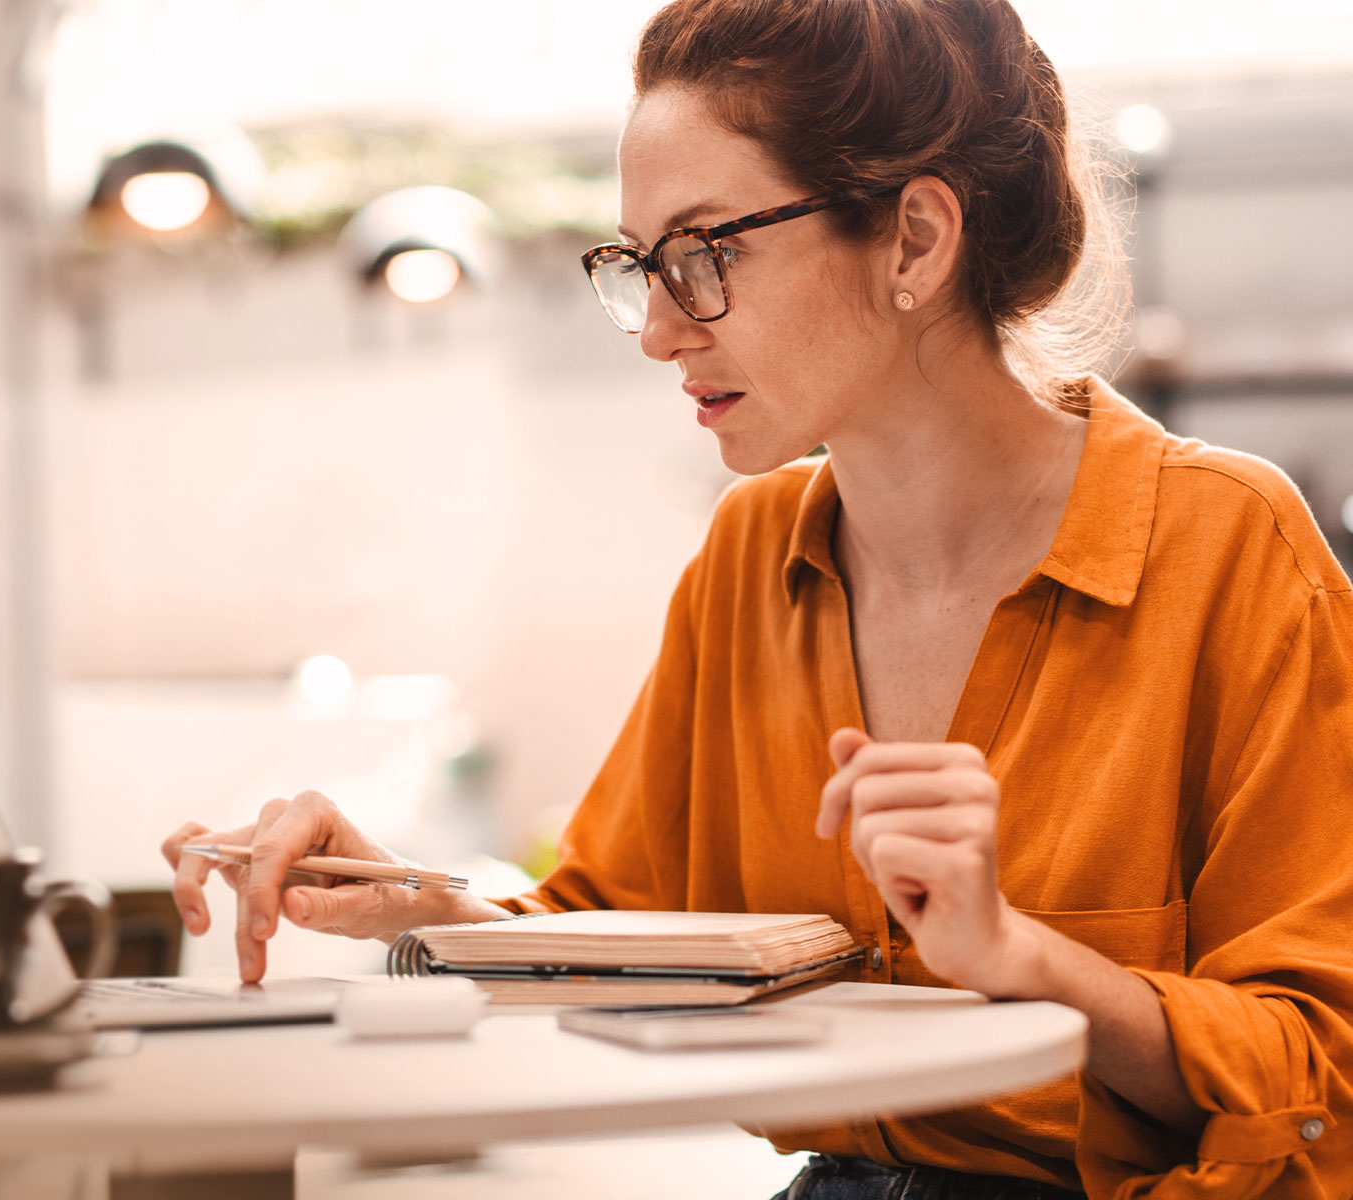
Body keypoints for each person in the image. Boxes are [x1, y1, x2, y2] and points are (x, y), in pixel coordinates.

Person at [163, 1, 1353, 1195]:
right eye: (639, 265)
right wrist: (403, 899)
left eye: (707, 251)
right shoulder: (748, 560)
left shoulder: (1228, 550)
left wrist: (1020, 960)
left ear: (914, 241)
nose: (661, 330)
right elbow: (612, 927)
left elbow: (1321, 1085)